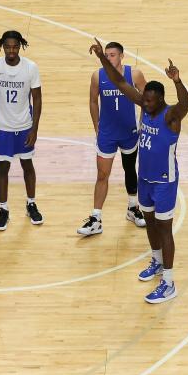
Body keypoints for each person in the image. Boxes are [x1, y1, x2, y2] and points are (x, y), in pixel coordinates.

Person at [91, 38, 188, 304]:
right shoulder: (145, 107)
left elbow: (186, 105)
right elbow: (121, 83)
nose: (145, 105)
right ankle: (156, 261)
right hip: (144, 178)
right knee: (149, 224)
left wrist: (178, 81)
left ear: (160, 100)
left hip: (164, 182)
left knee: (165, 229)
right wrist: (103, 58)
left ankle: (169, 282)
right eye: (143, 100)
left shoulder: (170, 116)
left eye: (149, 102)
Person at [77, 41, 147, 236]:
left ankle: (133, 208)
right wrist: (96, 126)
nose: (109, 58)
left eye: (113, 55)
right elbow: (92, 100)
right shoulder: (97, 75)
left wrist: (142, 123)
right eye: (106, 55)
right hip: (107, 133)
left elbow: (149, 99)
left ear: (122, 56)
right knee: (102, 175)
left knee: (130, 170)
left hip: (129, 131)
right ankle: (96, 218)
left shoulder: (134, 74)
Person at [0, 30, 43, 231]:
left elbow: (37, 98)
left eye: (15, 46)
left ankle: (31, 203)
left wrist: (35, 129)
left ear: (20, 46)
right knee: (3, 168)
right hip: (2, 126)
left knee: (28, 165)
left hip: (24, 125)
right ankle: (3, 209)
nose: (11, 50)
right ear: (2, 47)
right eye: (7, 46)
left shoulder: (30, 67)